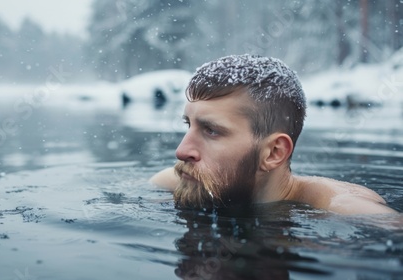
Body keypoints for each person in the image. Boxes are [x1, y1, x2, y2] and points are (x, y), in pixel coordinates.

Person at [149, 54, 397, 215]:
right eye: (188, 125)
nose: (181, 151)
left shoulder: (343, 208)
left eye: (211, 130)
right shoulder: (177, 181)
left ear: (273, 153)